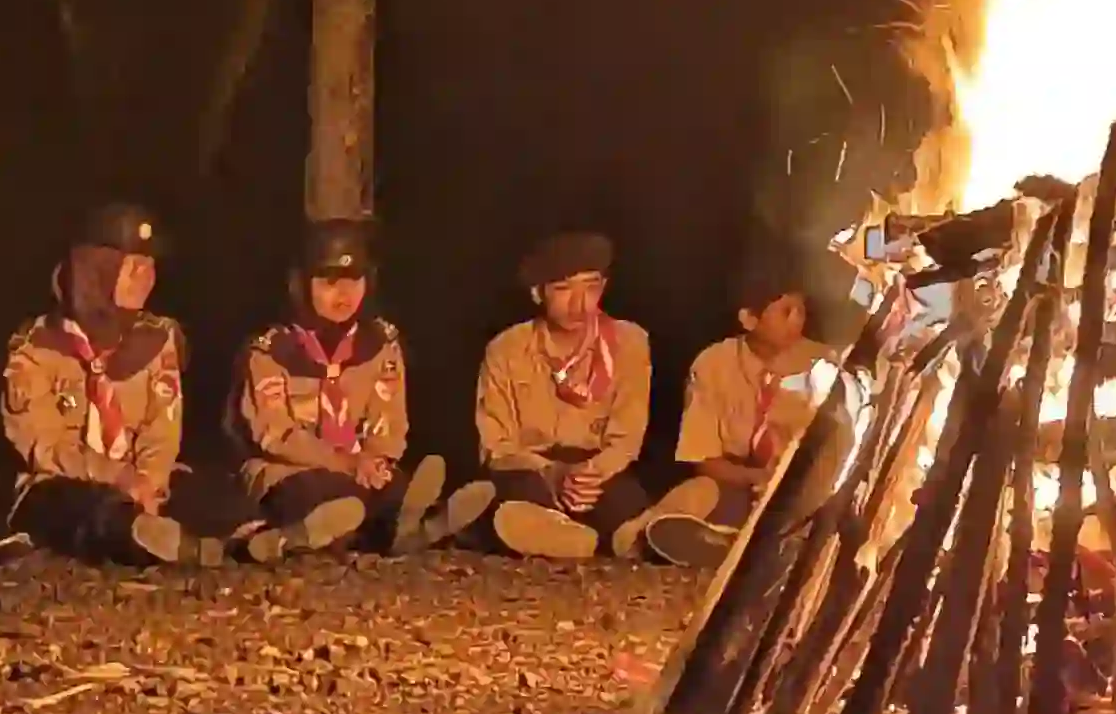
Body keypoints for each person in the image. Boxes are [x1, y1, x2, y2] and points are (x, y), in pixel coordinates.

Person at [227, 222, 494, 555]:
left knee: (387, 490)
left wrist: (377, 460)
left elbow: (390, 420)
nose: (344, 294)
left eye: (355, 280)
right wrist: (346, 464)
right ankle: (285, 537)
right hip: (289, 471)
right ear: (300, 285)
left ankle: (410, 523)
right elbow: (275, 434)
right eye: (329, 282)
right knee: (331, 496)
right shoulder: (272, 351)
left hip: (361, 467)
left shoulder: (379, 345)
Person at [2, 200, 240, 566]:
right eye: (131, 267)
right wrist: (118, 477)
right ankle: (139, 535)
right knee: (75, 505)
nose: (144, 277)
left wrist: (149, 481)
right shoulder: (36, 348)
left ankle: (241, 536)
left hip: (141, 483)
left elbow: (162, 431)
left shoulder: (157, 341)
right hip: (69, 481)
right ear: (94, 272)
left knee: (208, 489)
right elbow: (45, 447)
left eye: (149, 266)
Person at [639, 265, 835, 571]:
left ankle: (743, 546)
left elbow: (835, 456)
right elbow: (703, 458)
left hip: (795, 493)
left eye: (801, 310)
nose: (798, 320)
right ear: (749, 319)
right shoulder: (713, 364)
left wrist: (783, 484)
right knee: (698, 491)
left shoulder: (825, 365)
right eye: (786, 311)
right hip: (739, 485)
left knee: (803, 515)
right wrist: (756, 479)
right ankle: (648, 534)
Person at [476, 230, 656, 560]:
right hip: (535, 469)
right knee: (515, 499)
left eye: (591, 287)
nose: (580, 304)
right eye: (563, 289)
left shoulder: (629, 342)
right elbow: (496, 446)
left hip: (596, 470)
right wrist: (552, 472)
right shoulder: (507, 349)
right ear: (537, 293)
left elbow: (627, 437)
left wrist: (590, 474)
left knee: (624, 501)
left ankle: (629, 534)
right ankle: (570, 536)